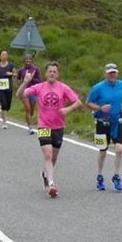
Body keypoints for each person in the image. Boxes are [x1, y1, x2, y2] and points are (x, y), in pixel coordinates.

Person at [18, 62, 81, 198]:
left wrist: (68, 109)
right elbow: (20, 95)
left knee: (54, 157)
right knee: (47, 154)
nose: (52, 73)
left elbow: (78, 102)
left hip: (58, 127)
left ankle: (46, 174)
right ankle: (52, 184)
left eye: (54, 72)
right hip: (44, 126)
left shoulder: (63, 88)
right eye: (50, 71)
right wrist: (25, 82)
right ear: (46, 74)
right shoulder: (39, 87)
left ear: (57, 74)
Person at [86, 63, 122, 192]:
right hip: (101, 123)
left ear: (117, 73)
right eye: (110, 73)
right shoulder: (98, 88)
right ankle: (99, 176)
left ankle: (116, 176)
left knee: (119, 149)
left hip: (118, 122)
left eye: (114, 72)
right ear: (105, 74)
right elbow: (88, 103)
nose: (112, 75)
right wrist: (100, 108)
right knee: (102, 150)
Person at [17, 53, 43, 134]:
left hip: (33, 91)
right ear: (24, 61)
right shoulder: (21, 70)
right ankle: (30, 127)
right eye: (26, 60)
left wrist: (31, 79)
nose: (28, 62)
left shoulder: (36, 69)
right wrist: (22, 83)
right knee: (27, 109)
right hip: (24, 92)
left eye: (29, 60)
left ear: (32, 60)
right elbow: (18, 79)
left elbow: (40, 81)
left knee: (31, 110)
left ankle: (30, 119)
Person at [0, 50, 16, 129]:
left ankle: (3, 110)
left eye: (5, 54)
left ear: (7, 56)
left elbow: (16, 74)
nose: (4, 56)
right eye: (3, 55)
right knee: (4, 105)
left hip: (8, 88)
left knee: (8, 106)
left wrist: (11, 74)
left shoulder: (11, 65)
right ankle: (4, 122)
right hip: (0, 88)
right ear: (0, 56)